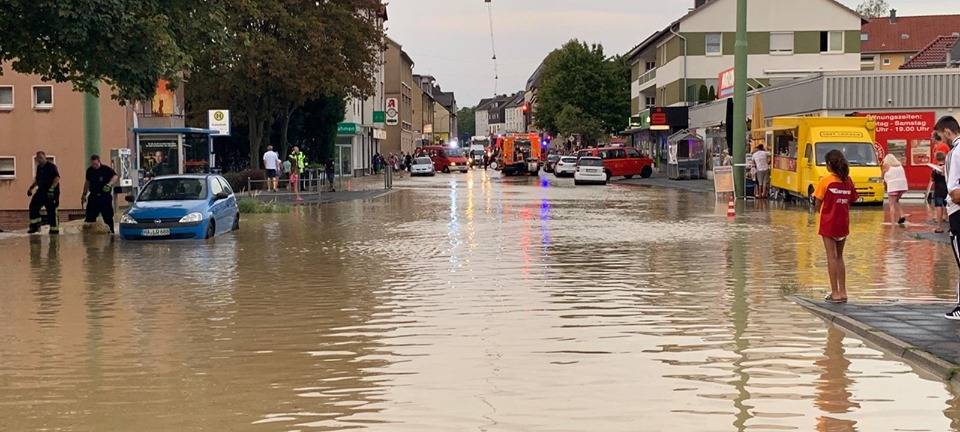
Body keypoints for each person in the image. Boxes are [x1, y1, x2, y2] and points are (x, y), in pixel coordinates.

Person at [815, 150, 858, 304]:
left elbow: (817, 202)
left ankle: (835, 293)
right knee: (840, 257)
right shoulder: (848, 181)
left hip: (828, 223)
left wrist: (819, 212)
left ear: (829, 165)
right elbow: (852, 199)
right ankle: (844, 291)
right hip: (843, 223)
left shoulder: (825, 181)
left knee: (831, 257)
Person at [938, 116, 960, 319]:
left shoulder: (954, 152)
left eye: (940, 136)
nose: (940, 140)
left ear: (947, 131)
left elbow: (953, 189)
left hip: (957, 211)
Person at [81, 155, 118, 234]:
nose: (94, 166)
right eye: (92, 164)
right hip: (93, 196)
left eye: (95, 164)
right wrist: (84, 194)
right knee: (89, 217)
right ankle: (89, 236)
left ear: (99, 161)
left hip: (104, 196)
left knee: (108, 217)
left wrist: (109, 184)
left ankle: (111, 233)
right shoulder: (89, 170)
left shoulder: (106, 169)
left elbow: (115, 176)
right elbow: (87, 182)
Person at [27, 151, 61, 235]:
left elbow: (57, 178)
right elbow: (37, 180)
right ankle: (35, 226)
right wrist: (31, 188)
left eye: (41, 158)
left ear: (45, 157)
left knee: (51, 210)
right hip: (41, 190)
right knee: (33, 206)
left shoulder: (51, 166)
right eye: (38, 159)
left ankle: (54, 229)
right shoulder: (39, 168)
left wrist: (52, 188)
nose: (39, 160)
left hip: (51, 191)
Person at [882, 154, 909, 226]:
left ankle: (893, 223)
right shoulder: (900, 166)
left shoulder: (887, 166)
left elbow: (883, 175)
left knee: (891, 205)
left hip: (893, 187)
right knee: (896, 200)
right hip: (902, 187)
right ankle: (902, 215)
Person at [927, 151, 948, 233]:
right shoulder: (947, 167)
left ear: (936, 159)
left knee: (939, 207)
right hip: (947, 189)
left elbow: (932, 179)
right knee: (949, 207)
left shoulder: (935, 169)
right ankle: (951, 226)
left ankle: (939, 227)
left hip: (938, 190)